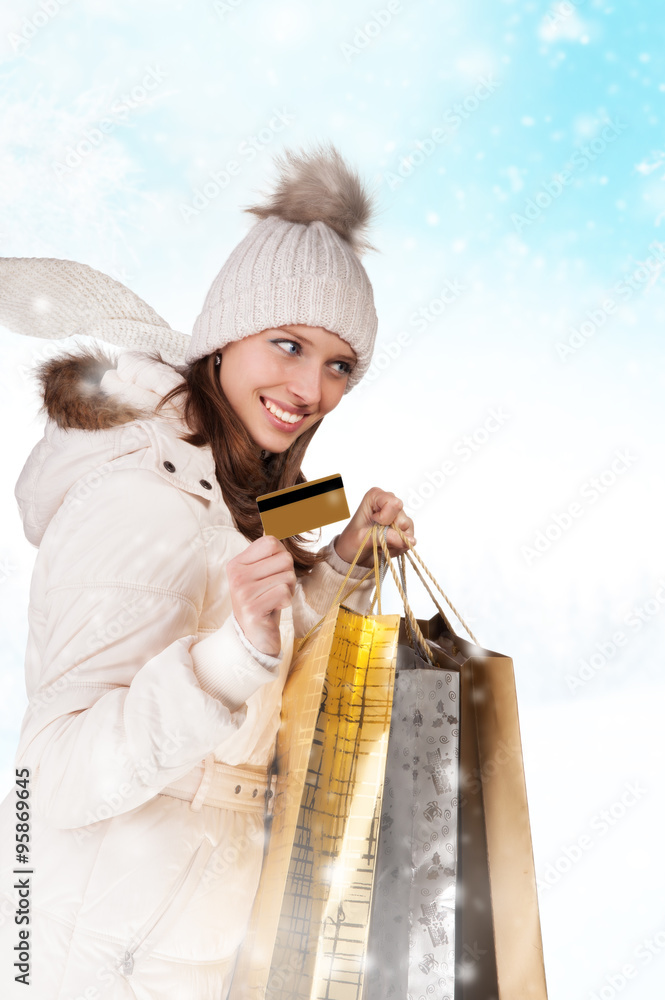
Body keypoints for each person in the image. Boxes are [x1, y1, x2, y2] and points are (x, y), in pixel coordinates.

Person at [0, 143, 413, 998]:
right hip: (105, 961)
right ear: (224, 340)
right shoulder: (135, 498)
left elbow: (245, 644)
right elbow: (44, 777)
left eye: (340, 364)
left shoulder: (244, 487)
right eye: (288, 344)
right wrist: (226, 661)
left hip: (203, 941)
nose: (312, 389)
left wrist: (339, 562)